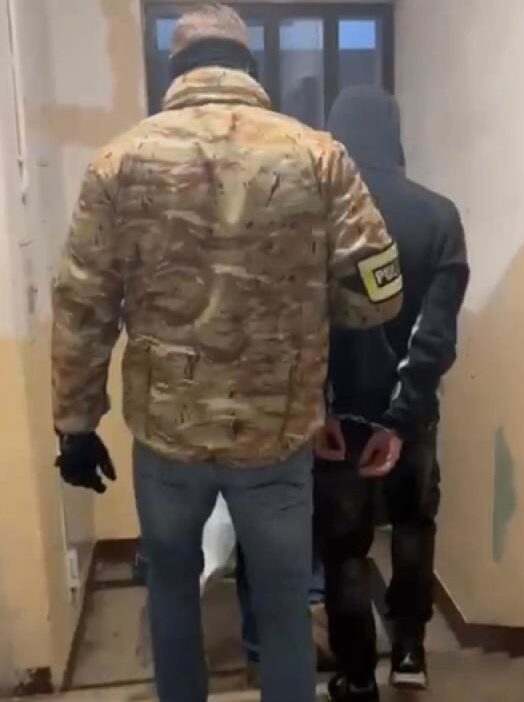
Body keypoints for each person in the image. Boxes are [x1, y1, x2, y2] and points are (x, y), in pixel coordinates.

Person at [49, 3, 404, 701]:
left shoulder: (119, 162)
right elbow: (380, 288)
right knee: (282, 605)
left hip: (169, 439)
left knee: (172, 595)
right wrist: (313, 315)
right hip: (276, 435)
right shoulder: (317, 155)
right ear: (249, 67)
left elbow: (82, 302)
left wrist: (76, 424)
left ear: (176, 69)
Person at [293, 85, 467, 701]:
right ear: (395, 132)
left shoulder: (314, 217)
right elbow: (435, 337)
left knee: (344, 549)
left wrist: (318, 409)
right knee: (414, 523)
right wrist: (400, 419)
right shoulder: (438, 216)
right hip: (410, 419)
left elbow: (302, 329)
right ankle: (412, 653)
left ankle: (358, 675)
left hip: (338, 420)